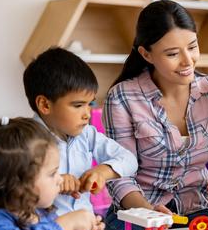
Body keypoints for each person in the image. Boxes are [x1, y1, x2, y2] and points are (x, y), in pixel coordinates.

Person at [103, 0, 208, 230]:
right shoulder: (122, 96)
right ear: (146, 54)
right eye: (173, 53)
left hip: (199, 208)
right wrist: (149, 213)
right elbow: (119, 175)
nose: (187, 61)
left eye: (192, 47)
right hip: (141, 211)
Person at [23, 47, 138, 216]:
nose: (87, 114)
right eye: (78, 105)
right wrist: (54, 181)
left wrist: (101, 172)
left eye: (90, 104)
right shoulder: (24, 140)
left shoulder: (87, 134)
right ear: (45, 105)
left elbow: (129, 160)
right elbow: (14, 190)